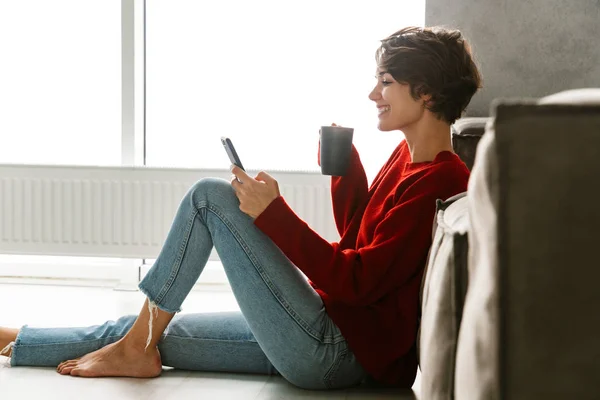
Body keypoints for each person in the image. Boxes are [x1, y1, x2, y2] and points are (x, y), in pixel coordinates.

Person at [0, 26, 481, 389]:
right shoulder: (410, 159)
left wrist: (273, 214)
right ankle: (18, 340)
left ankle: (133, 348)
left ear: (426, 92)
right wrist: (345, 170)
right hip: (329, 329)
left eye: (386, 82)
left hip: (336, 350)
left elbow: (354, 280)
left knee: (211, 195)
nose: (373, 94)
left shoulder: (439, 179)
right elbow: (363, 243)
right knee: (155, 327)